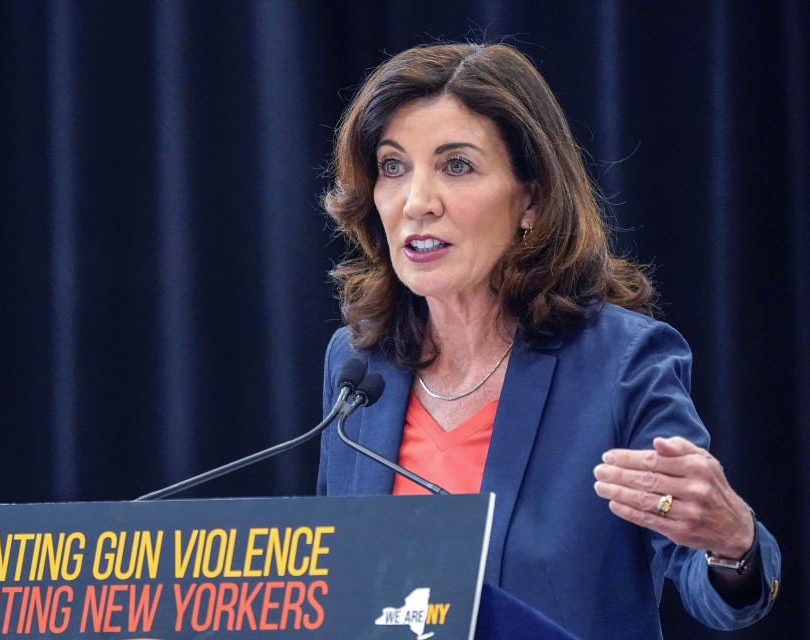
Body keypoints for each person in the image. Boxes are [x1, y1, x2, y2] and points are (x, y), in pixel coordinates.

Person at [315, 42, 781, 638]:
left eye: (456, 165)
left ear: (530, 199)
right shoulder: (358, 365)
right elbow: (337, 582)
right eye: (392, 166)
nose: (416, 202)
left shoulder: (622, 364)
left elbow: (703, 573)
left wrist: (732, 546)